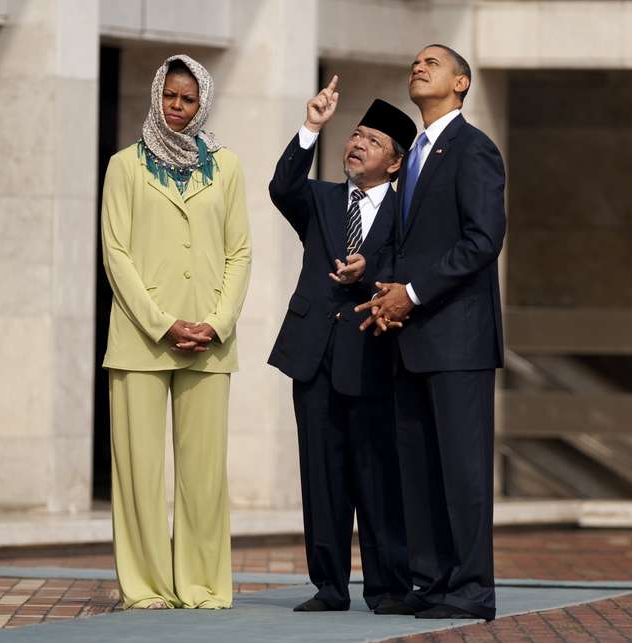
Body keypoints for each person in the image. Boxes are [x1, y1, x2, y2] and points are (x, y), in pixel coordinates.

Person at [357, 44, 506, 621]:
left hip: (459, 340)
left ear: (461, 83)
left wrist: (412, 293)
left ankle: (471, 590)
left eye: (434, 64)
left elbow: (482, 239)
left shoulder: (474, 149)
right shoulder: (414, 154)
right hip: (410, 337)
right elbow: (405, 240)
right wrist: (383, 288)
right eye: (415, 62)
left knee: (463, 471)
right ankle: (434, 582)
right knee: (418, 469)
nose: (418, 67)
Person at [100, 54, 251, 610]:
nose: (178, 109)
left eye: (188, 100)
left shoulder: (228, 166)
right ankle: (144, 587)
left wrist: (215, 323)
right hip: (141, 341)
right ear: (157, 96)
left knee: (204, 475)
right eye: (170, 97)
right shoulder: (124, 165)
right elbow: (116, 254)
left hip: (210, 344)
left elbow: (239, 251)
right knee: (139, 474)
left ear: (202, 101)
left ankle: (203, 584)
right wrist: (164, 325)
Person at [268, 76, 416, 614]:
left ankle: (388, 587)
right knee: (322, 474)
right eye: (355, 134)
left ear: (395, 162)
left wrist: (369, 270)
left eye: (373, 141)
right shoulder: (322, 199)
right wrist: (312, 125)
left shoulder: (408, 212)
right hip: (314, 355)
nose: (357, 144)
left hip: (374, 356)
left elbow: (412, 272)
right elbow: (281, 187)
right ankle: (328, 586)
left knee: (378, 475)